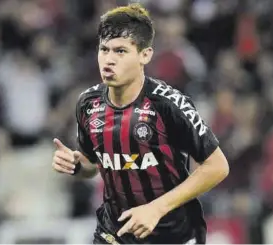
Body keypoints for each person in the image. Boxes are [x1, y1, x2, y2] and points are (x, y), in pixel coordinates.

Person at [52, 3, 229, 244]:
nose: (109, 60)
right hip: (115, 232)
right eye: (104, 50)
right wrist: (75, 165)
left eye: (121, 51)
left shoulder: (168, 104)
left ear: (145, 55)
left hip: (173, 234)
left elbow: (217, 166)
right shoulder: (88, 103)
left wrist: (155, 209)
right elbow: (92, 165)